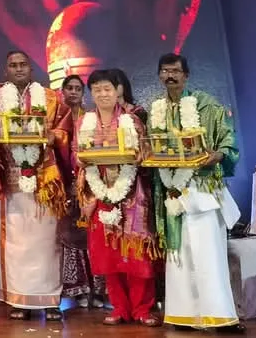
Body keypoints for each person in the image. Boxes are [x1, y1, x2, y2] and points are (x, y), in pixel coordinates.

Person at [0, 50, 72, 321]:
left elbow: (66, 131)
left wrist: (55, 136)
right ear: (5, 71)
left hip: (45, 181)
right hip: (11, 181)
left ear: (31, 69)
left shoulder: (50, 98)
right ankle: (18, 300)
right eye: (13, 65)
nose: (18, 69)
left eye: (23, 65)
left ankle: (50, 300)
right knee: (15, 243)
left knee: (47, 243)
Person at [150, 54, 242, 331]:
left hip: (202, 191)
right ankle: (184, 316)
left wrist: (218, 155)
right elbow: (153, 147)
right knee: (180, 256)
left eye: (175, 71)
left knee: (209, 255)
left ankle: (222, 318)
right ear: (159, 76)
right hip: (172, 190)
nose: (170, 76)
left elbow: (228, 142)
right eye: (165, 71)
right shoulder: (156, 110)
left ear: (186, 75)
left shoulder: (206, 105)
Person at [76, 69, 159, 326]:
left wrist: (137, 157)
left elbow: (145, 154)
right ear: (91, 94)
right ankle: (119, 308)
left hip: (131, 194)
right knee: (109, 252)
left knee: (135, 252)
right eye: (97, 90)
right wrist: (82, 160)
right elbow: (76, 155)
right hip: (99, 193)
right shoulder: (84, 122)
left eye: (107, 89)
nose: (103, 94)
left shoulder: (131, 121)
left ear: (117, 91)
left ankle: (143, 309)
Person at [59, 75, 105, 309]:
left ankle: (97, 290)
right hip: (65, 183)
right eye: (70, 88)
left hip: (89, 183)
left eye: (78, 88)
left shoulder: (89, 118)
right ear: (62, 91)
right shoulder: (57, 119)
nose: (74, 92)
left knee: (91, 235)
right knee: (69, 236)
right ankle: (78, 288)